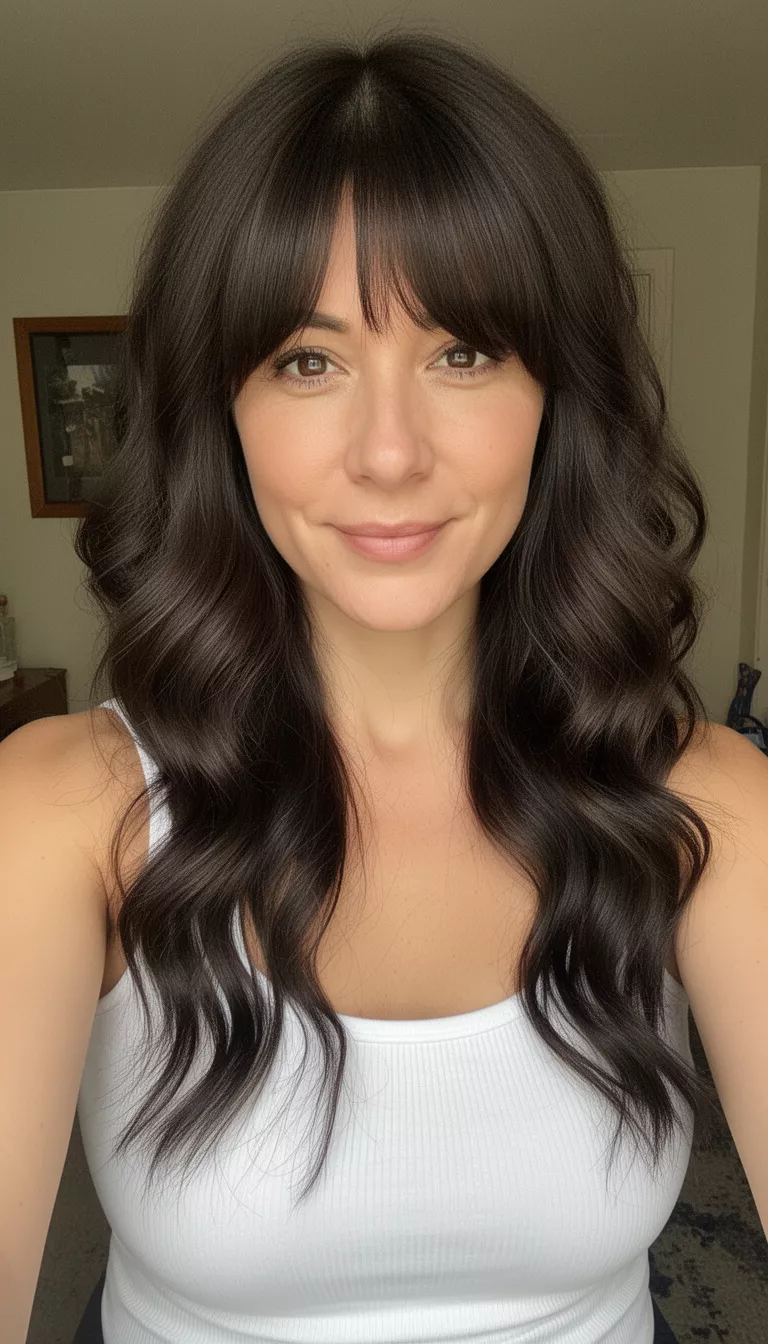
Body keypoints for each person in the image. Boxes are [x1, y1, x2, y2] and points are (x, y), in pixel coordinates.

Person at [2, 29, 765, 1344]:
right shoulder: (61, 815)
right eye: (309, 360)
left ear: (555, 397)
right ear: (220, 412)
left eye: (464, 351)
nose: (393, 452)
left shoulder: (709, 804)